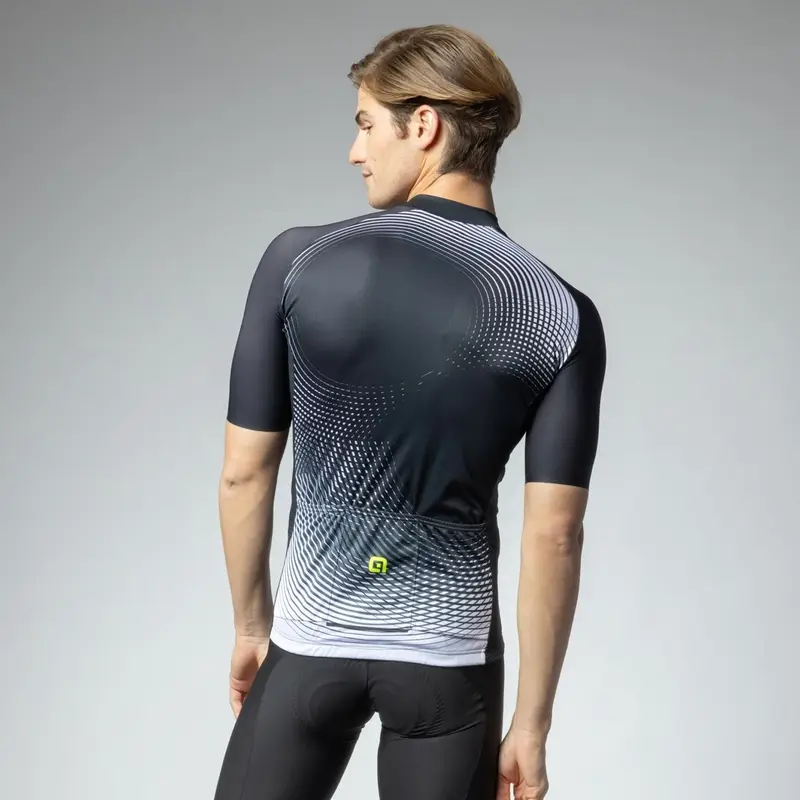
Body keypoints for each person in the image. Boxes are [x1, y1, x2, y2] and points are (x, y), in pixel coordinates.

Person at [213, 24, 606, 800]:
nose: (355, 151)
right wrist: (531, 727)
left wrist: (253, 626)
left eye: (366, 124)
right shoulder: (560, 311)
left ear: (423, 125)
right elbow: (556, 533)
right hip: (449, 660)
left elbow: (243, 474)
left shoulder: (298, 260)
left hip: (312, 635)